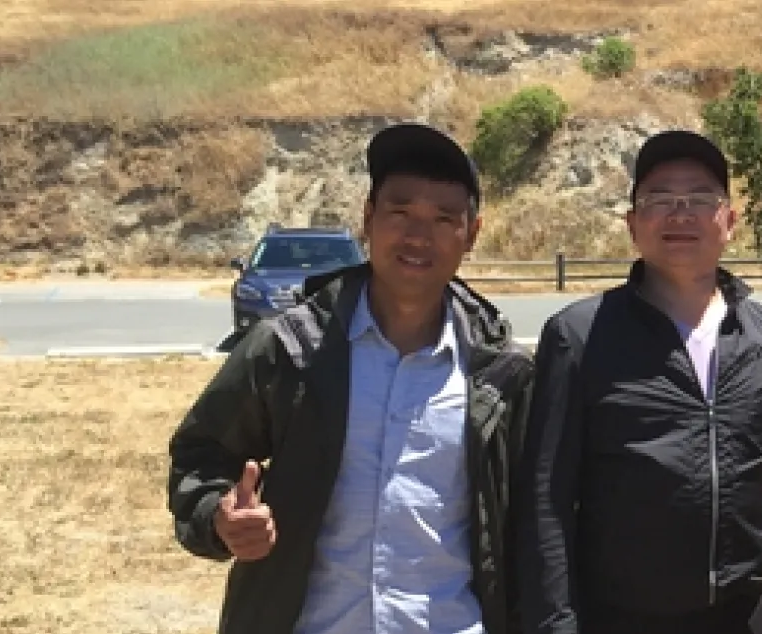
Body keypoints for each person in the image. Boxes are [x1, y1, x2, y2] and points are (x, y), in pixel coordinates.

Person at [165, 122, 536, 634]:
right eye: (400, 212)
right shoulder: (290, 348)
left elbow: (533, 527)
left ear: (471, 234)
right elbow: (201, 454)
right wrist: (219, 518)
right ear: (367, 218)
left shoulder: (501, 375)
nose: (417, 235)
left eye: (443, 218)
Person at [511, 130, 762, 634]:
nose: (681, 213)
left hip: (741, 616)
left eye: (701, 197)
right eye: (659, 197)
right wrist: (554, 624)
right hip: (614, 617)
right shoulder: (579, 335)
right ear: (633, 224)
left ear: (730, 221)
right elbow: (545, 500)